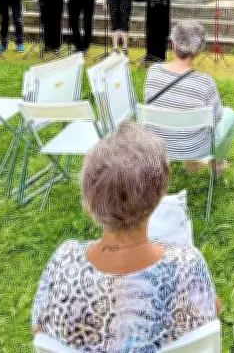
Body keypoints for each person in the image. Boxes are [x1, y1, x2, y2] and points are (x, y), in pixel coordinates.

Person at [32, 122, 219, 350]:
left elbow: (39, 329)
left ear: (89, 199)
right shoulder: (187, 266)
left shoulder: (63, 261)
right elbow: (209, 317)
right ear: (159, 195)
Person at [143, 20, 234, 176]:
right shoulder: (206, 82)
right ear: (198, 50)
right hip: (195, 148)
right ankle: (217, 165)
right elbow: (216, 120)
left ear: (173, 45)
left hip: (158, 144)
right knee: (230, 116)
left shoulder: (153, 72)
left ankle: (192, 165)